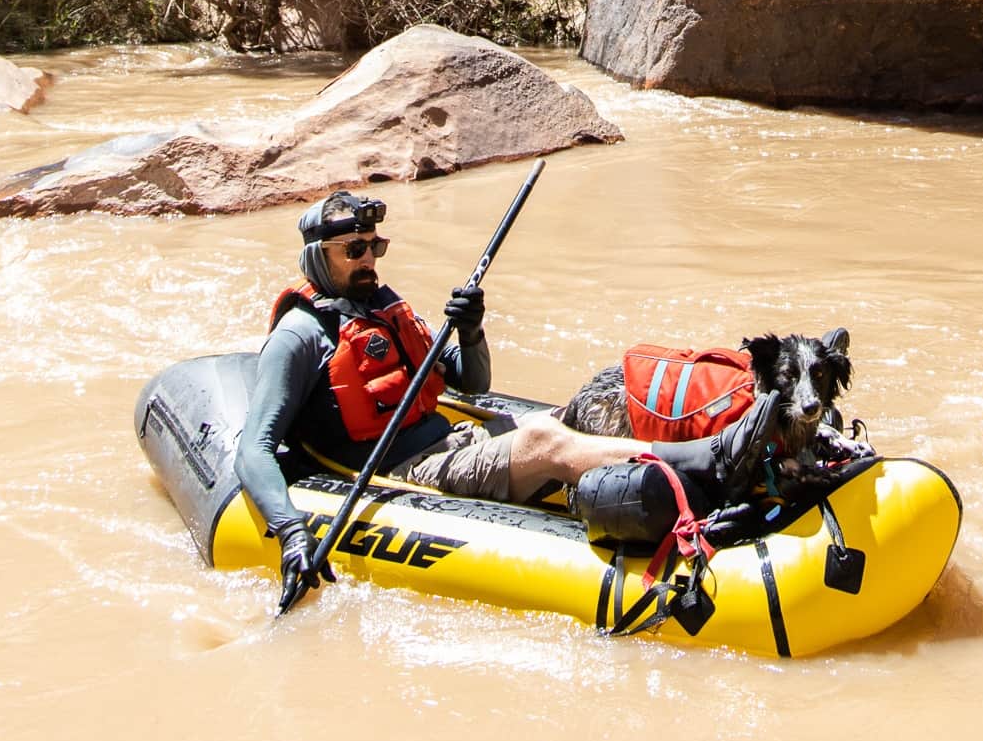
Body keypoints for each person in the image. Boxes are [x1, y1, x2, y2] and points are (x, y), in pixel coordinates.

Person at [238, 187, 758, 612]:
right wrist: (290, 533)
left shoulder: (379, 306)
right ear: (318, 257)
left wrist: (470, 330)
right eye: (355, 250)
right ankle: (714, 460)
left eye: (376, 246)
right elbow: (254, 449)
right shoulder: (300, 336)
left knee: (578, 414)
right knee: (542, 439)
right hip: (405, 473)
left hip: (452, 440)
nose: (370, 259)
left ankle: (719, 440)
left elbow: (474, 383)